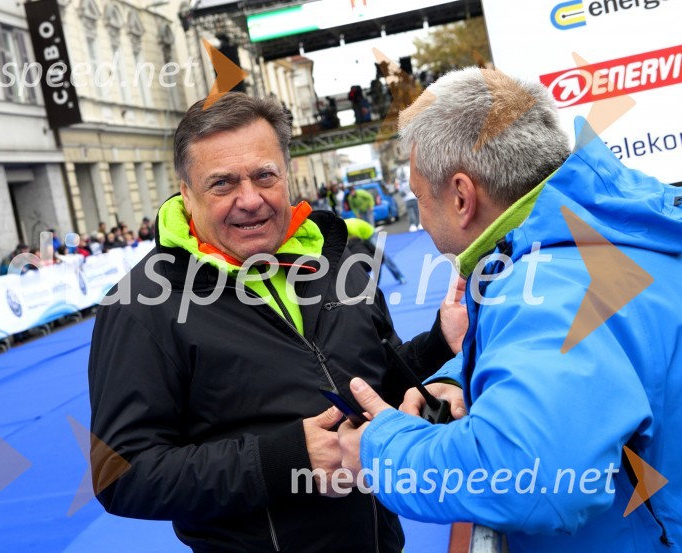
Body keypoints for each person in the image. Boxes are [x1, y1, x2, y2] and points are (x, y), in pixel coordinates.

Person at [88, 92, 467, 552]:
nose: (250, 200)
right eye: (223, 184)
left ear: (285, 175)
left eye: (264, 176)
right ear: (186, 193)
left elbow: (374, 382)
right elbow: (120, 475)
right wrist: (285, 460)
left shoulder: (336, 261)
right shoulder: (141, 305)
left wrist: (437, 344)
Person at [337, 68, 682, 552]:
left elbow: (535, 479)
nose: (419, 215)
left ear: (461, 196)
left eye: (419, 198)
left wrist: (379, 452)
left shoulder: (543, 288)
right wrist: (460, 376)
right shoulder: (611, 225)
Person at [345, 217, 406, 285]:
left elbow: (357, 242)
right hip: (360, 235)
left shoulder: (351, 229)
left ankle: (399, 275)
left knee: (381, 254)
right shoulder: (341, 228)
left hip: (369, 234)